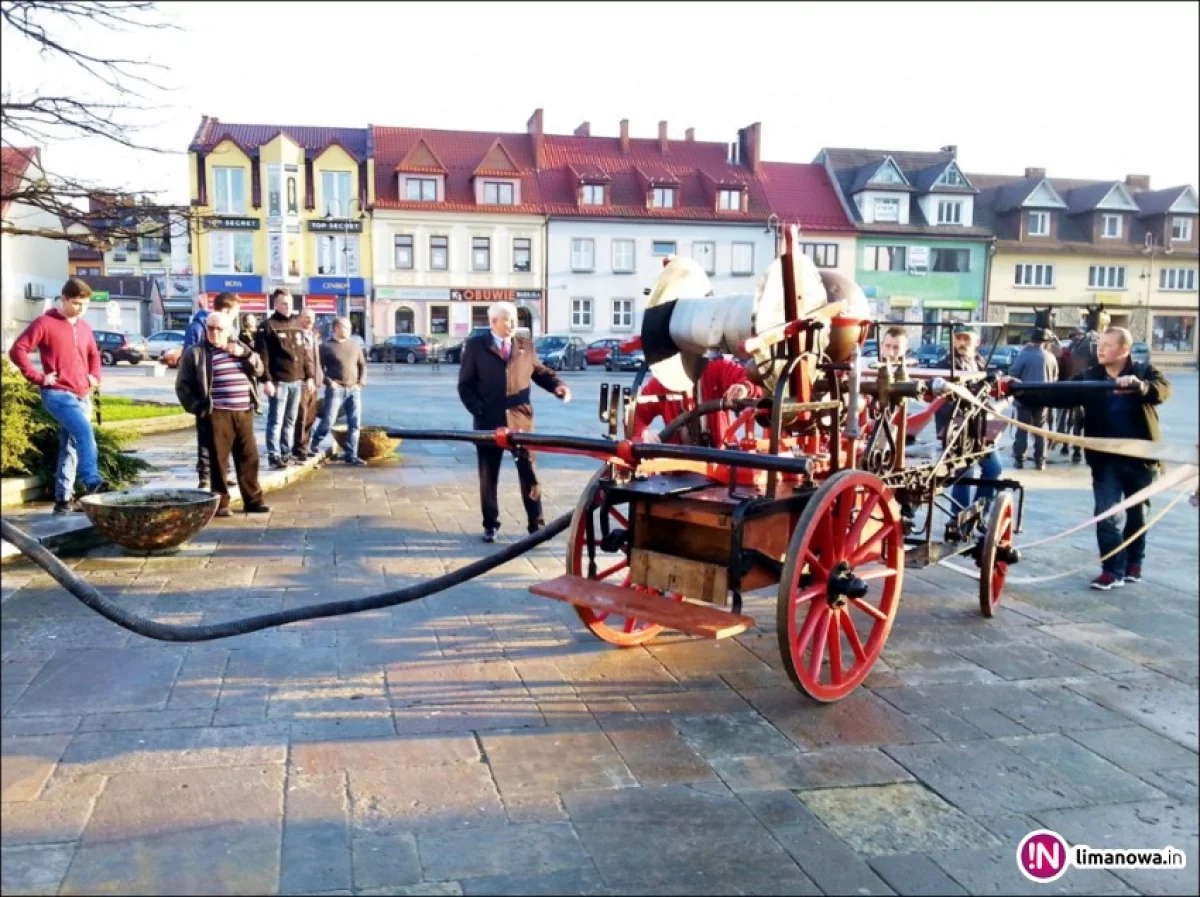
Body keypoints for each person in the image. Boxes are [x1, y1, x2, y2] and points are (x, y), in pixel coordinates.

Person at [1025, 327, 1172, 591]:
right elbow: (1058, 393)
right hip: (1106, 461)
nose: (1099, 349)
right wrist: (1016, 389)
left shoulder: (1144, 371)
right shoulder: (1092, 377)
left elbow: (1162, 390)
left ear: (1124, 349)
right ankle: (1111, 570)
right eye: (1099, 344)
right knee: (1106, 515)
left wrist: (1142, 387)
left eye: (1107, 345)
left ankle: (1134, 563)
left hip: (1142, 459)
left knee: (1138, 514)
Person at [457, 301, 570, 543]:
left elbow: (540, 372)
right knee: (488, 476)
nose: (512, 324)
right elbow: (465, 386)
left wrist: (557, 386)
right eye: (506, 319)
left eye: (514, 319)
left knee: (529, 473)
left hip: (521, 422)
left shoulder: (525, 346)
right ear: (493, 322)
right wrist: (479, 410)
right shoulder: (477, 346)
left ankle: (536, 525)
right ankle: (490, 524)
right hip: (489, 423)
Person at [8, 278, 110, 513]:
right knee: (84, 431)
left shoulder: (84, 327)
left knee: (71, 446)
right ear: (63, 299)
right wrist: (39, 377)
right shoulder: (45, 323)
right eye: (75, 303)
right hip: (58, 394)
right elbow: (18, 350)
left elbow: (94, 354)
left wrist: (94, 377)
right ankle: (92, 482)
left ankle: (63, 499)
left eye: (84, 304)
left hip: (82, 394)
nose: (80, 309)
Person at [175, 311, 271, 517]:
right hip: (217, 412)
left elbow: (259, 369)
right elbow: (182, 386)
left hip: (244, 411)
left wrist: (244, 354)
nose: (214, 332)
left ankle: (253, 501)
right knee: (219, 461)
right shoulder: (196, 353)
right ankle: (221, 503)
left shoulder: (239, 347)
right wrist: (198, 408)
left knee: (249, 457)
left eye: (219, 329)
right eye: (210, 328)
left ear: (228, 330)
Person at [935, 325, 1003, 511]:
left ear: (977, 342)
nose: (961, 343)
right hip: (956, 428)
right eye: (958, 338)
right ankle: (959, 518)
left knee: (994, 468)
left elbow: (986, 392)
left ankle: (979, 511)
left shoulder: (981, 363)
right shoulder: (946, 365)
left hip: (979, 427)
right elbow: (942, 398)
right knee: (963, 471)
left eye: (966, 338)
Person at [632, 357, 757, 445]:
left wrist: (744, 387)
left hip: (721, 460)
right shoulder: (661, 382)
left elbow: (753, 379)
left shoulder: (716, 368)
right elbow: (634, 415)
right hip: (677, 469)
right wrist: (643, 433)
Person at [186, 292, 240, 490]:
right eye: (235, 312)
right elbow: (189, 359)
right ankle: (206, 475)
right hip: (206, 393)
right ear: (226, 310)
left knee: (227, 438)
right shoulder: (200, 326)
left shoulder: (230, 330)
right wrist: (195, 401)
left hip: (227, 398)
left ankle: (223, 472)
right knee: (206, 437)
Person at [255, 289, 314, 469]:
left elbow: (304, 354)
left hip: (296, 380)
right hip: (278, 381)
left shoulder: (297, 324)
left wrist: (309, 376)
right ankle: (274, 455)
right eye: (283, 303)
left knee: (290, 419)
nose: (288, 307)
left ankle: (286, 452)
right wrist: (266, 381)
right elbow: (263, 356)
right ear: (275, 304)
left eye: (290, 303)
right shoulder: (267, 326)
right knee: (276, 420)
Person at [310, 316, 367, 466]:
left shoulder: (354, 346)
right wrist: (329, 382)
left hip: (353, 389)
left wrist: (361, 382)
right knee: (329, 420)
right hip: (336, 389)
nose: (348, 331)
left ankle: (351, 454)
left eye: (349, 328)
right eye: (345, 327)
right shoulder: (326, 347)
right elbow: (318, 369)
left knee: (354, 423)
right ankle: (315, 442)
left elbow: (363, 365)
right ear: (336, 328)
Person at [1007, 328, 1059, 470]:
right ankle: (1040, 460)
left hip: (1025, 397)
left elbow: (1013, 373)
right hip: (1043, 399)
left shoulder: (1024, 355)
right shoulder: (1051, 357)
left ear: (1031, 340)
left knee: (1022, 428)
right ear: (1045, 342)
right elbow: (1055, 378)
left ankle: (1019, 459)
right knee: (1040, 429)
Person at [291, 307, 323, 462]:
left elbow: (316, 359)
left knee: (311, 416)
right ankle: (298, 448)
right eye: (306, 317)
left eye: (311, 317)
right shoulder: (295, 335)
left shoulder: (314, 336)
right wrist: (305, 379)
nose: (309, 320)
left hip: (315, 382)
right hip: (302, 382)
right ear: (299, 318)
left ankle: (306, 445)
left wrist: (319, 378)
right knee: (301, 416)